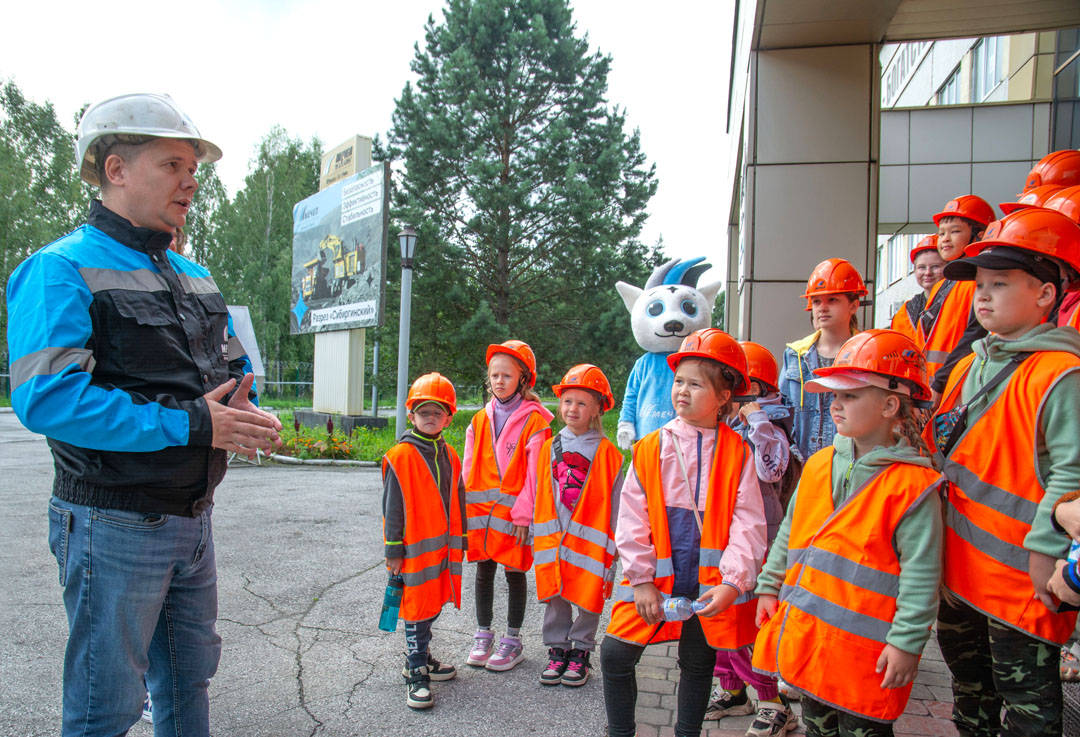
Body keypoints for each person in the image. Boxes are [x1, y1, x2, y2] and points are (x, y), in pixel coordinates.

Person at [6, 93, 283, 736]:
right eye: (174, 163)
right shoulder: (57, 269)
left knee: (189, 684)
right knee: (107, 706)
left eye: (194, 166)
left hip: (193, 519)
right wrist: (194, 424)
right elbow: (48, 399)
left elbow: (230, 372)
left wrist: (246, 413)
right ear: (115, 169)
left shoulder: (195, 274)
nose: (191, 180)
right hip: (110, 522)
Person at [925, 207, 1080, 736]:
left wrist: (1043, 551)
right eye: (979, 285)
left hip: (1021, 585)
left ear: (1046, 294)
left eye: (1000, 283)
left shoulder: (1062, 374)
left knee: (1028, 713)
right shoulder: (971, 364)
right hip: (960, 574)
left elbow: (1071, 475)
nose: (982, 295)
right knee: (971, 700)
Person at [755, 329, 943, 737]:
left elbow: (921, 576)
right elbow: (791, 531)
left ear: (891, 404)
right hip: (813, 645)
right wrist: (769, 585)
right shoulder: (821, 463)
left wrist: (908, 643)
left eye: (849, 396)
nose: (835, 405)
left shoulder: (914, 485)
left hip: (866, 660)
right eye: (834, 395)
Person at [602, 328, 767, 737]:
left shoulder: (738, 452)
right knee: (615, 656)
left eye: (695, 384)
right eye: (679, 381)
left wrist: (733, 583)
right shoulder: (650, 447)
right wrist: (640, 581)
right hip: (654, 581)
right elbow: (632, 517)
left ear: (724, 396)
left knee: (698, 664)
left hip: (710, 585)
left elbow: (749, 524)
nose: (682, 391)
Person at [706, 341, 796, 736]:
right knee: (723, 619)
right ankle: (734, 691)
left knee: (743, 627)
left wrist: (756, 419)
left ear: (755, 389)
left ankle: (775, 704)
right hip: (726, 535)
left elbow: (773, 469)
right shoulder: (725, 425)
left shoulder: (770, 424)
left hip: (758, 541)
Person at [517, 364, 624, 687]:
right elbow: (537, 489)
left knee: (589, 596)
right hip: (552, 539)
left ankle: (581, 651)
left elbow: (618, 500)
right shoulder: (550, 448)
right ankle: (557, 648)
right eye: (567, 401)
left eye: (581, 403)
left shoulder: (609, 454)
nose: (572, 408)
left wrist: (618, 540)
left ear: (596, 410)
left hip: (592, 544)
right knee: (555, 596)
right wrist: (530, 524)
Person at [463, 340, 553, 671]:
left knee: (515, 573)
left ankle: (512, 641)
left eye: (507, 375)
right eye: (494, 375)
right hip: (482, 516)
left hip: (514, 517)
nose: (499, 381)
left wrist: (525, 515)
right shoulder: (478, 420)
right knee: (484, 573)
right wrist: (462, 508)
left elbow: (535, 475)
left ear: (524, 380)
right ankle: (483, 634)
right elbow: (468, 467)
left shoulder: (535, 423)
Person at [382, 372, 466, 710]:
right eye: (423, 412)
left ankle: (423, 655)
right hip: (412, 554)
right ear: (411, 414)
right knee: (415, 609)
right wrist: (393, 551)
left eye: (437, 412)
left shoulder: (450, 455)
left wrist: (462, 539)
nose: (430, 418)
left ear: (449, 416)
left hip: (442, 552)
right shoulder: (400, 456)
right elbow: (393, 507)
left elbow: (458, 501)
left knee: (430, 606)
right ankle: (415, 670)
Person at [779, 258, 867, 460]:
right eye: (817, 301)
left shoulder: (866, 357)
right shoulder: (795, 355)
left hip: (849, 466)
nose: (822, 308)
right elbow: (781, 413)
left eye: (832, 300)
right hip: (802, 467)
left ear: (853, 306)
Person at [921, 195, 994, 398]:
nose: (944, 238)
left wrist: (940, 383)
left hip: (957, 385)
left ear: (979, 236)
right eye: (941, 233)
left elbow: (974, 335)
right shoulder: (943, 285)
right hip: (935, 386)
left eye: (954, 232)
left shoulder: (977, 281)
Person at [890, 235, 945, 344]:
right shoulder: (905, 313)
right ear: (914, 270)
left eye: (935, 266)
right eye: (922, 267)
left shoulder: (956, 303)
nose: (928, 272)